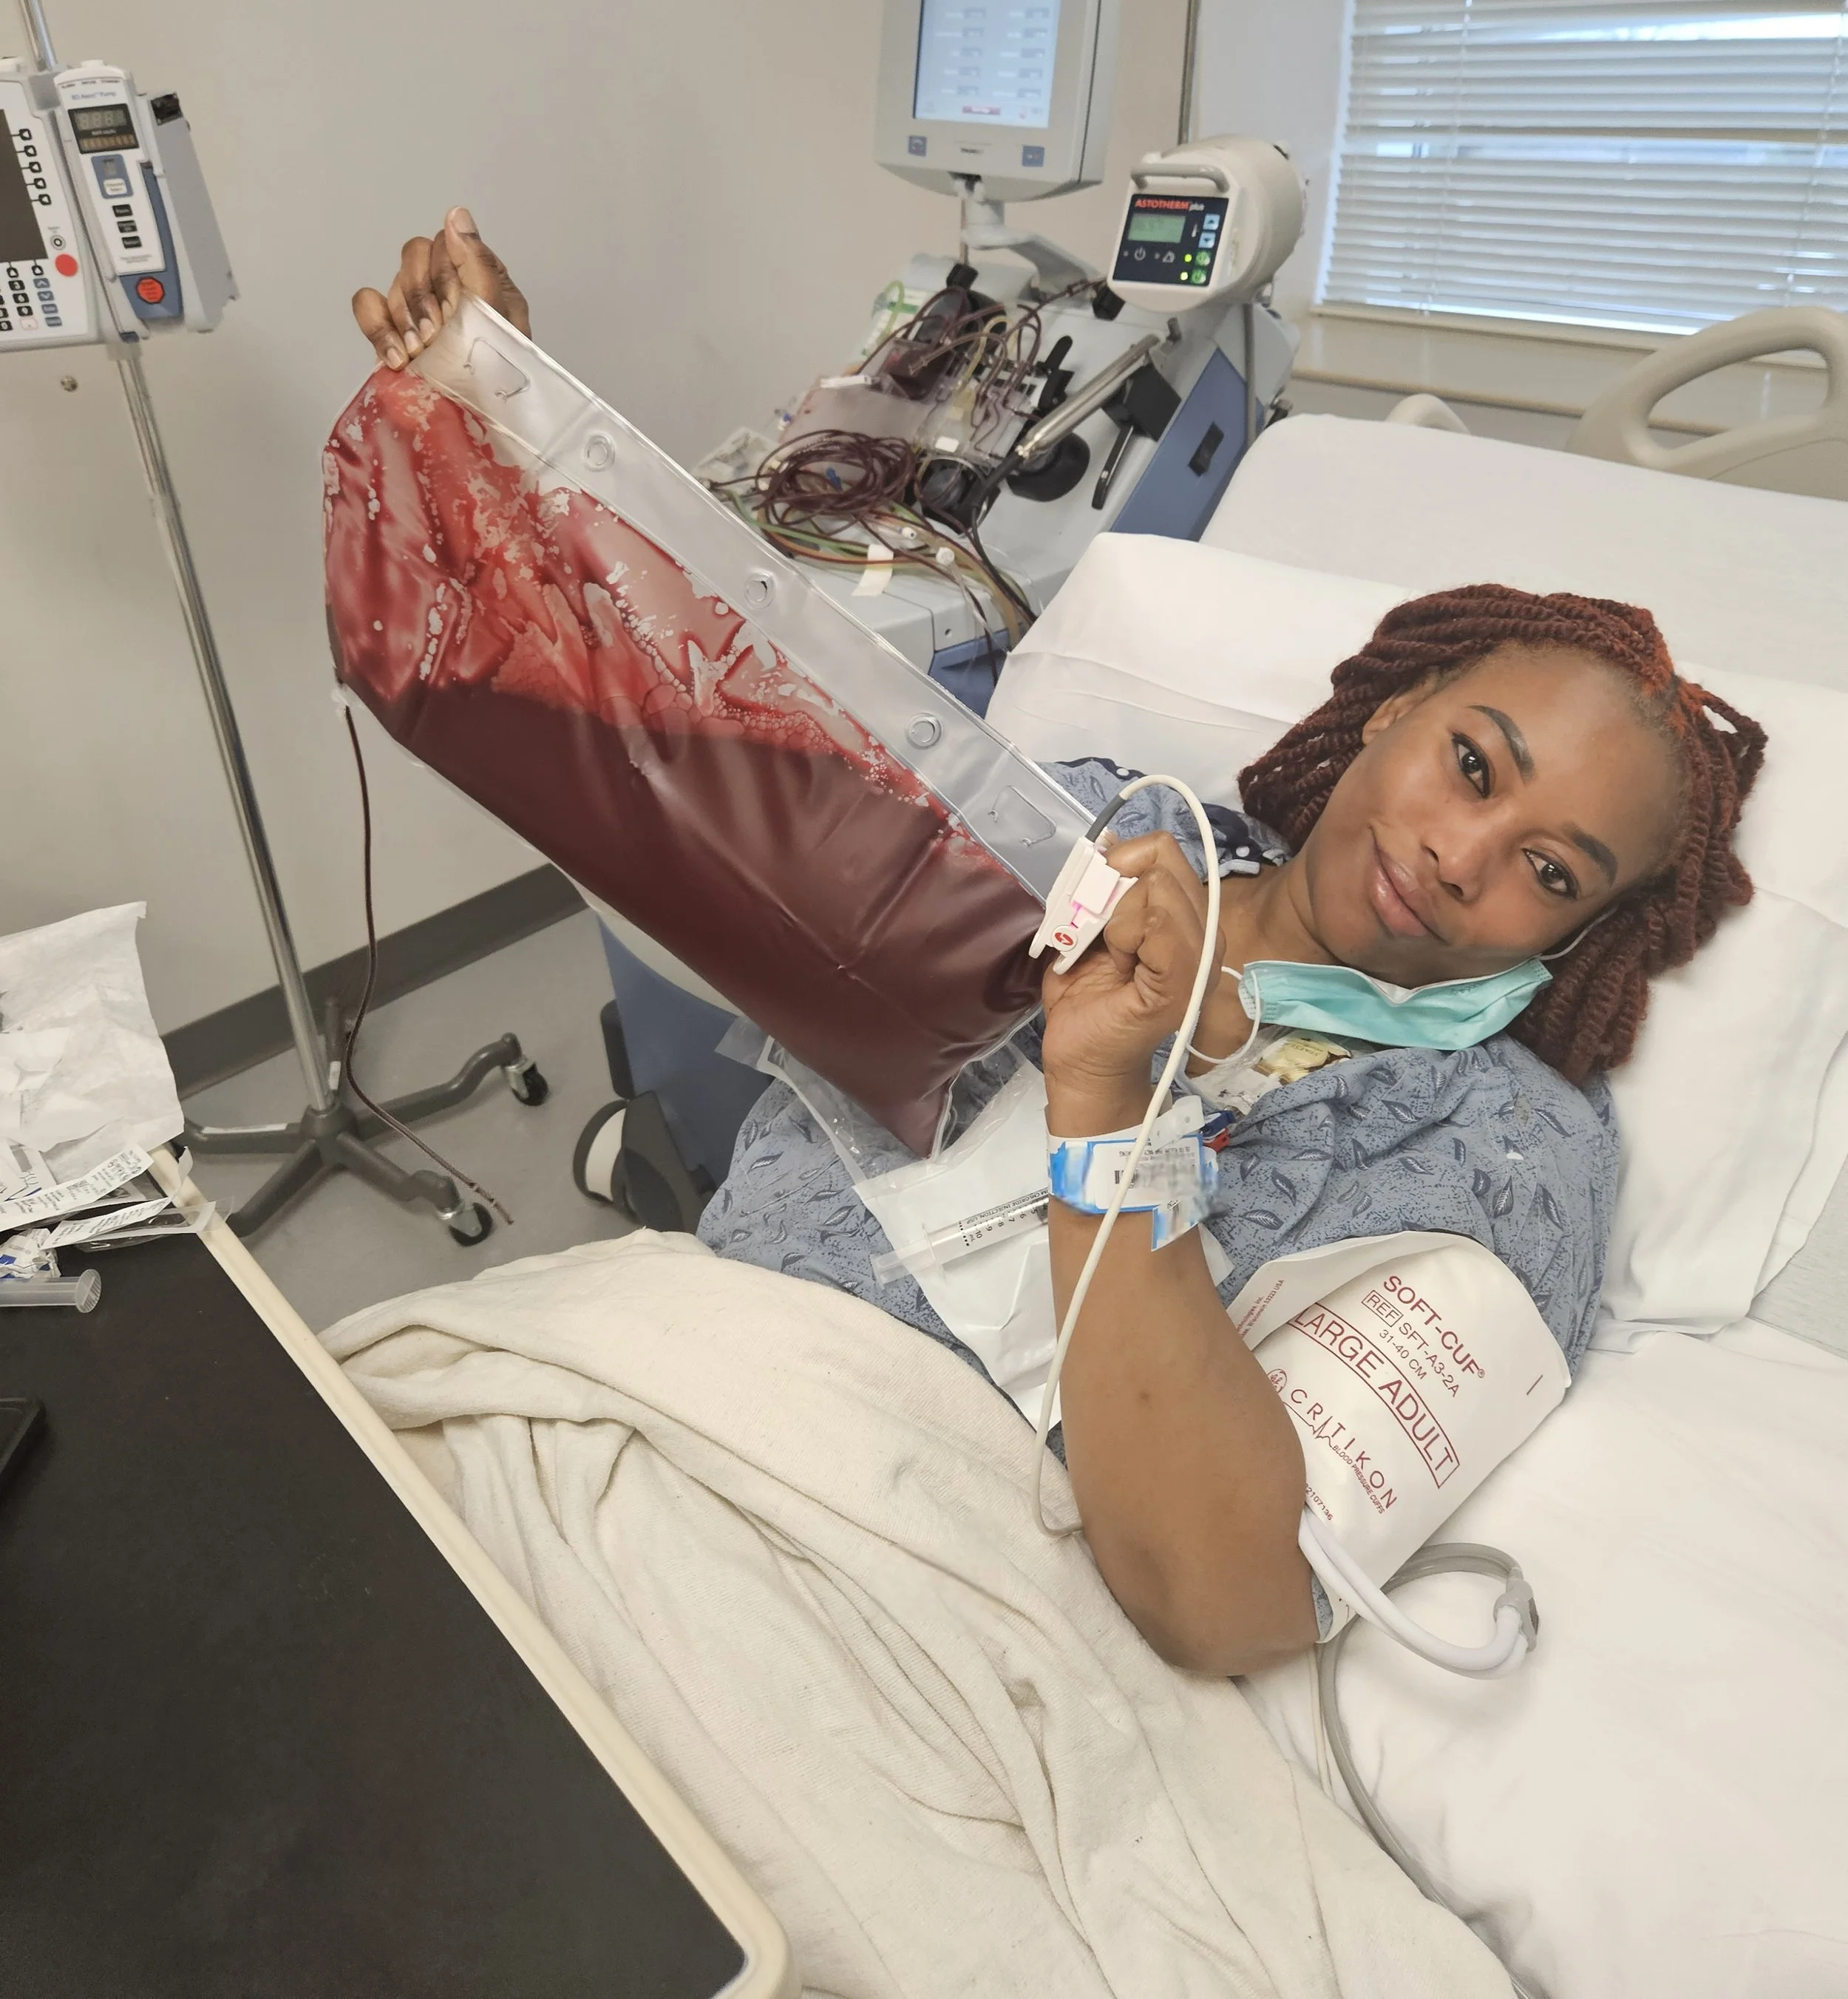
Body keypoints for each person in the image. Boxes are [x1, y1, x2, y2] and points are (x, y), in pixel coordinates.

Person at [351, 217, 1767, 1678]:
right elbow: (712, 810)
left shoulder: (1512, 1151)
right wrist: (508, 445)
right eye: (1470, 764)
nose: (1459, 858)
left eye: (1546, 869)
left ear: (1586, 931)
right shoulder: (1086, 823)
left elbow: (1230, 1603)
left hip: (933, 1594)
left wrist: (1105, 1108)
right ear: (1392, 713)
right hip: (669, 1367)